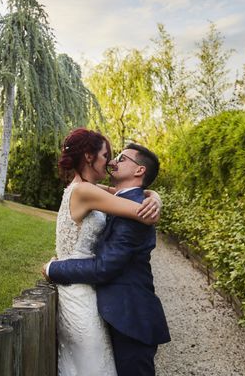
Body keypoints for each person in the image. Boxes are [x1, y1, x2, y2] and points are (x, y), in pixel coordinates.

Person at [44, 130, 170, 376]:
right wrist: (154, 201)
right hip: (82, 294)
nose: (111, 162)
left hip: (117, 307)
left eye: (119, 158)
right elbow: (138, 210)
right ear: (89, 157)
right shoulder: (86, 191)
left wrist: (154, 196)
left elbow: (133, 201)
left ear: (138, 170)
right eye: (108, 156)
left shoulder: (88, 188)